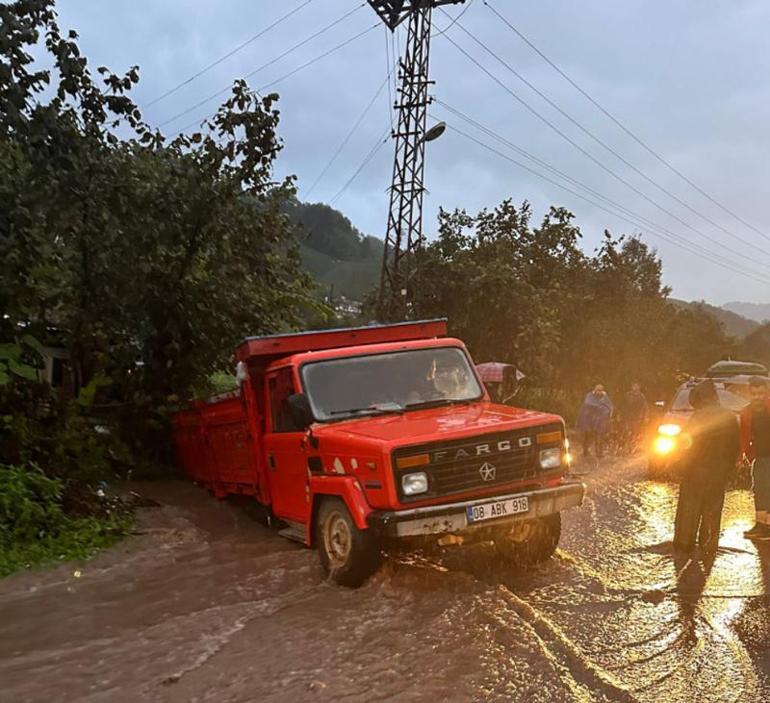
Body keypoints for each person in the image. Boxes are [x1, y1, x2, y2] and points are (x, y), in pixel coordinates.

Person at [673, 379, 740, 555]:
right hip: (719, 471)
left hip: (695, 471)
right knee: (713, 509)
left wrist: (679, 465)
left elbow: (686, 444)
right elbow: (735, 447)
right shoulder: (729, 416)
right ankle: (709, 546)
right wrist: (730, 469)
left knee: (689, 508)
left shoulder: (698, 417)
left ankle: (684, 545)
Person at [740, 376, 770, 540]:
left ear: (766, 392)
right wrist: (742, 456)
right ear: (749, 394)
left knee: (768, 489)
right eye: (754, 394)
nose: (758, 397)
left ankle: (767, 527)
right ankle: (761, 524)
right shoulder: (746, 412)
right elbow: (744, 436)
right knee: (759, 489)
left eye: (761, 393)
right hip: (759, 456)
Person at [576, 384, 613, 458]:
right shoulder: (589, 396)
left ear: (602, 390)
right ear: (595, 390)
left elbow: (608, 407)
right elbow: (588, 404)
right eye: (597, 390)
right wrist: (597, 406)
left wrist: (604, 412)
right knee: (587, 435)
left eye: (600, 390)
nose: (599, 392)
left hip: (599, 420)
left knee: (600, 436)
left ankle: (599, 452)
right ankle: (585, 451)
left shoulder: (605, 397)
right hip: (589, 419)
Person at [620, 383, 649, 454]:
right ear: (631, 387)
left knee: (634, 432)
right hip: (627, 416)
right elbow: (622, 405)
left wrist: (645, 417)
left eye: (636, 386)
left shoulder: (641, 396)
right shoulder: (627, 395)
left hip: (637, 417)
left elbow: (645, 407)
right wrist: (620, 414)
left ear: (639, 388)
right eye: (634, 386)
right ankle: (624, 447)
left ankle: (632, 447)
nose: (635, 388)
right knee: (626, 432)